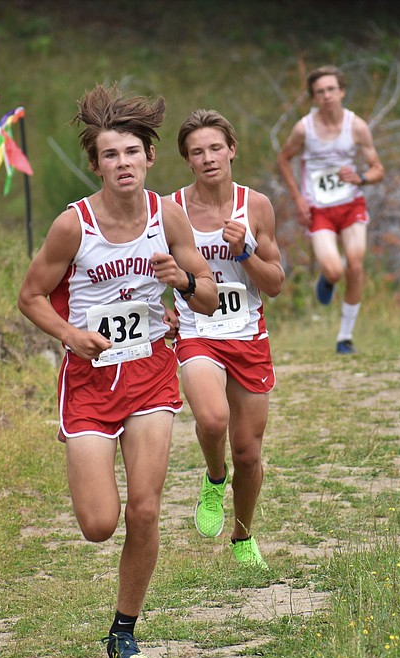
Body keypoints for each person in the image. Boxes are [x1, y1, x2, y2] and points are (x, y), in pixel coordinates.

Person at [16, 85, 217, 658]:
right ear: (96, 164)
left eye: (132, 152)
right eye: (110, 155)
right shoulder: (72, 226)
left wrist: (180, 280)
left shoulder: (167, 216)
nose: (123, 163)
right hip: (88, 380)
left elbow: (206, 296)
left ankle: (124, 630)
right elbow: (30, 297)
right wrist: (69, 335)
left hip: (152, 372)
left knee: (146, 511)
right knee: (100, 525)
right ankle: (94, 491)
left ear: (150, 158)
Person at [168, 110, 284, 569]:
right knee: (212, 421)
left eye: (216, 148)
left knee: (249, 452)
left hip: (247, 334)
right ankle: (215, 481)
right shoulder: (170, 208)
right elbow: (145, 267)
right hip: (198, 330)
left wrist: (246, 253)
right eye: (197, 152)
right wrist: (160, 306)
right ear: (187, 160)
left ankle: (242, 535)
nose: (208, 158)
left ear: (232, 149)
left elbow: (274, 283)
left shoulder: (256, 207)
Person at [276, 65, 384, 355]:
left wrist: (360, 178)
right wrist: (298, 199)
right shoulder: (304, 128)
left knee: (356, 263)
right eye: (320, 92)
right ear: (313, 97)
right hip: (319, 209)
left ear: (342, 91)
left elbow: (378, 169)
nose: (326, 96)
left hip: (351, 205)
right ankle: (328, 278)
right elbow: (283, 159)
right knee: (336, 270)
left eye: (331, 90)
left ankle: (345, 337)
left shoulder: (357, 126)